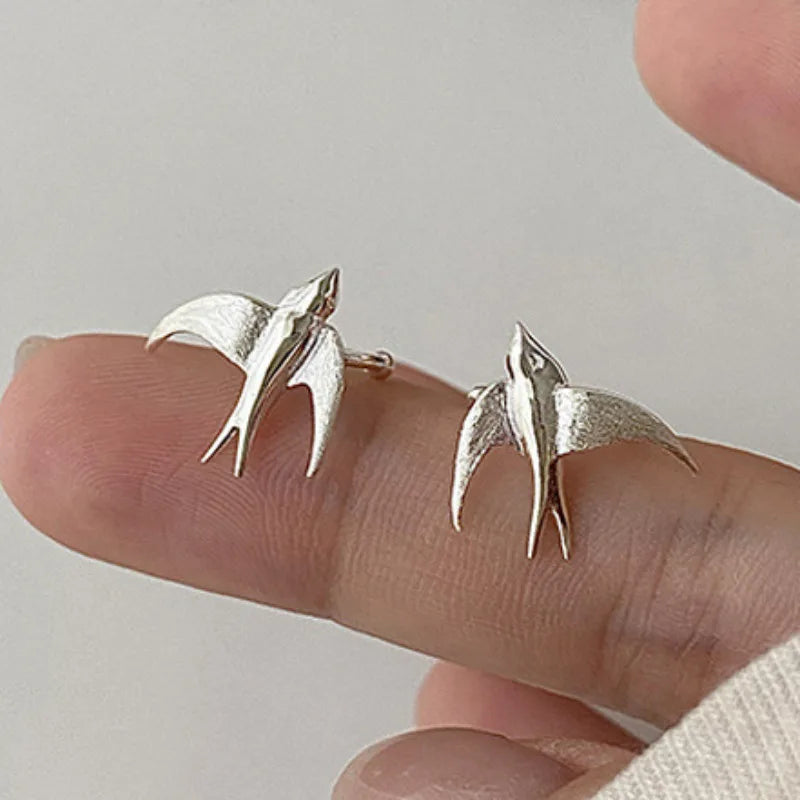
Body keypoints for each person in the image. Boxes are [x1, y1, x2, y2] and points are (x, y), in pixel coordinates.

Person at [2, 2, 800, 797]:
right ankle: (272, 430)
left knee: (520, 491)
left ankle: (526, 495)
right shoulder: (326, 351)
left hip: (494, 428)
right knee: (271, 427)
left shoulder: (381, 372)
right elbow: (310, 385)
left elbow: (354, 414)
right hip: (370, 389)